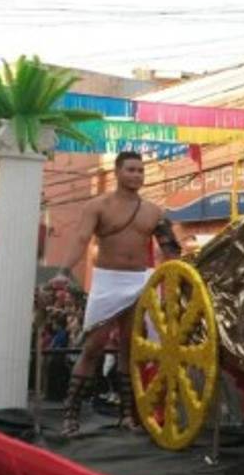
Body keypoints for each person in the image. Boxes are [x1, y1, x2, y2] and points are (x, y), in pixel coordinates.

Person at [55, 151, 181, 437]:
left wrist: (182, 275)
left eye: (140, 171)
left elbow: (171, 249)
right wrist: (64, 270)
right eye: (131, 170)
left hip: (141, 280)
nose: (137, 175)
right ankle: (70, 415)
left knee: (130, 348)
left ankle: (128, 415)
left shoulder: (155, 212)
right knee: (94, 346)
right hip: (108, 280)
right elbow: (81, 239)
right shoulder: (97, 206)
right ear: (117, 171)